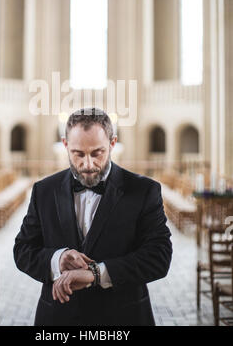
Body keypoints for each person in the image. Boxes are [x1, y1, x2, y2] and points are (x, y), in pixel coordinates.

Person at [13, 108, 172, 326]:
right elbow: (23, 250)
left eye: (97, 153)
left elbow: (159, 258)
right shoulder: (44, 191)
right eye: (78, 153)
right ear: (66, 145)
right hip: (58, 320)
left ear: (113, 143)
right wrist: (57, 259)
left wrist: (96, 274)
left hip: (124, 319)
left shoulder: (144, 190)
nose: (88, 164)